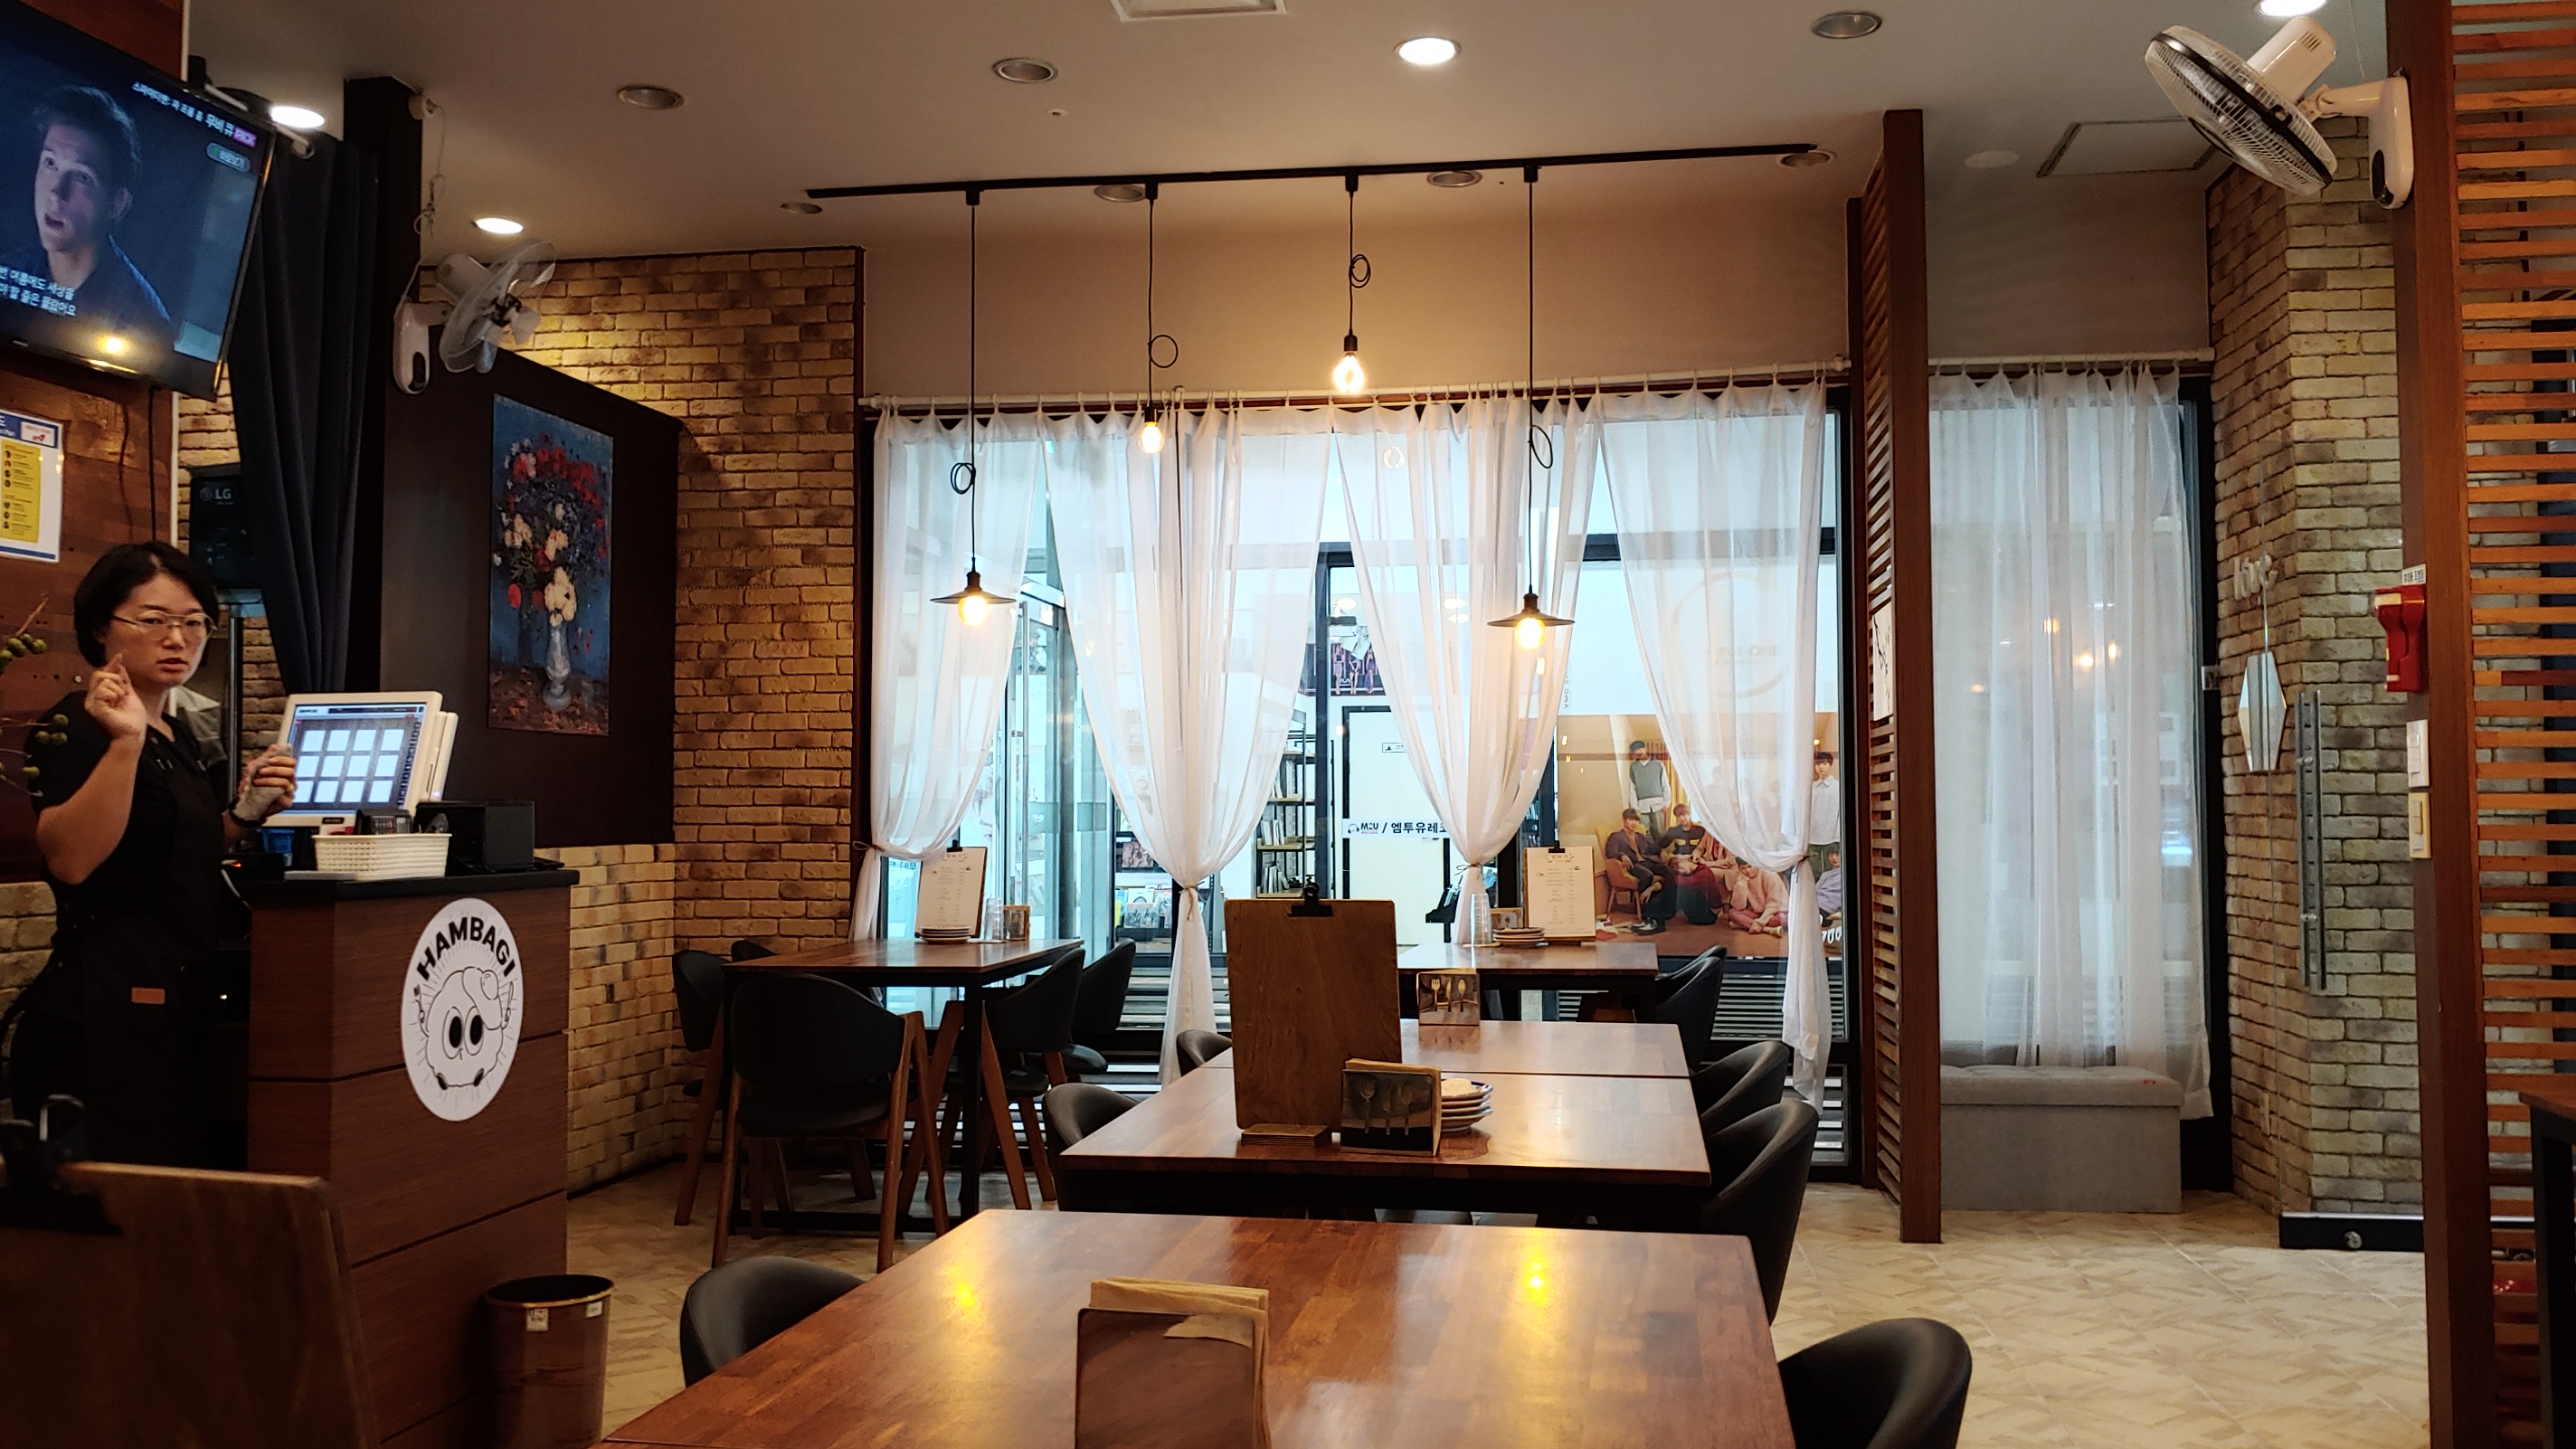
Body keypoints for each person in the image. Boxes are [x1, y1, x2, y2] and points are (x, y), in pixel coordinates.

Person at [0, 543, 295, 1163]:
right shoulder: (75, 727)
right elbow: (72, 860)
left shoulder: (178, 733)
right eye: (153, 620)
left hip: (174, 1006)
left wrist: (245, 815)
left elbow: (171, 851)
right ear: (101, 627)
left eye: (193, 622)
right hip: (100, 1019)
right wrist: (125, 743)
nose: (177, 638)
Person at [0, 87, 173, 352]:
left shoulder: (145, 324)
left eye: (81, 177)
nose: (56, 192)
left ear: (117, 203)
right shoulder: (10, 269)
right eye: (50, 163)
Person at [1602, 808, 1675, 934]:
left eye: (1636, 820)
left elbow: (1653, 848)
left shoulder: (1640, 836)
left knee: (1669, 872)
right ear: (1624, 820)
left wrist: (1662, 851)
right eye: (1630, 820)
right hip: (1633, 865)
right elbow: (1610, 852)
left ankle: (1667, 910)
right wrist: (1622, 855)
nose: (1634, 823)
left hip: (1647, 862)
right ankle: (1647, 915)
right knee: (1647, 875)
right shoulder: (1616, 836)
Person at [1625, 740, 1672, 838]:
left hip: (1658, 803)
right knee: (1644, 832)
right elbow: (1632, 789)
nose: (1638, 752)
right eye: (1635, 751)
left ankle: (1661, 847)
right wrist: (1635, 808)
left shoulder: (1658, 764)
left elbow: (1665, 784)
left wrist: (1666, 802)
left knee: (1660, 831)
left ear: (1645, 749)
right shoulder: (1633, 767)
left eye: (1640, 749)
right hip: (1641, 805)